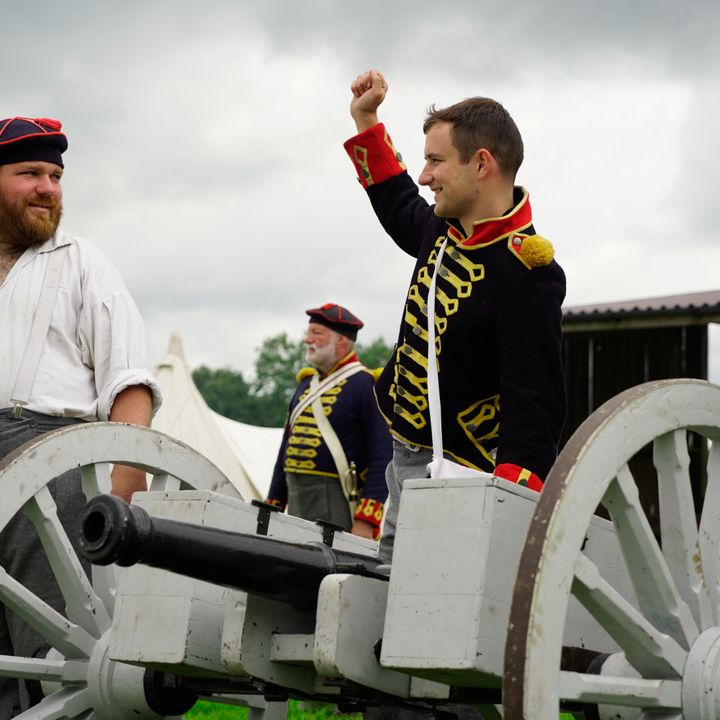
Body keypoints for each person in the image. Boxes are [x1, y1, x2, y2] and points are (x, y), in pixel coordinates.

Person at [344, 70, 566, 563]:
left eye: (435, 161)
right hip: (404, 451)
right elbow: (398, 198)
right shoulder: (443, 233)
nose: (425, 176)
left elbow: (534, 405)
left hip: (461, 471)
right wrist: (366, 120)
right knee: (387, 587)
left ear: (481, 163)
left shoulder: (528, 270)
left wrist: (508, 506)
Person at [0, 116, 161, 717]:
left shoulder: (81, 262)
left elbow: (130, 381)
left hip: (51, 464)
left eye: (56, 176)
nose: (48, 187)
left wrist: (120, 497)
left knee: (50, 658)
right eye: (30, 173)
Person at [267, 303, 392, 540]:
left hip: (336, 500)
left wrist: (367, 520)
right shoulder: (305, 385)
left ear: (341, 341)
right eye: (309, 332)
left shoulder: (365, 385)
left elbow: (382, 455)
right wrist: (274, 503)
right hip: (296, 496)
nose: (307, 339)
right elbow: (285, 449)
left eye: (316, 333)